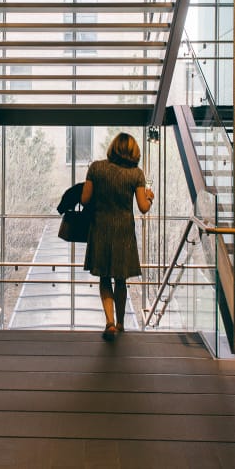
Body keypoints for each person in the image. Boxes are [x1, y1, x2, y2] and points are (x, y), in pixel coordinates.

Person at [81, 132, 155, 341]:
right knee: (120, 279)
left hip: (101, 229)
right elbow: (143, 207)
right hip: (124, 231)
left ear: (113, 147)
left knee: (104, 277)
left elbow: (85, 199)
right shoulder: (136, 174)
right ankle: (121, 323)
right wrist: (150, 198)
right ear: (133, 151)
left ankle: (110, 323)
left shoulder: (96, 168)